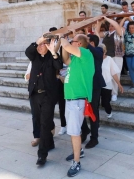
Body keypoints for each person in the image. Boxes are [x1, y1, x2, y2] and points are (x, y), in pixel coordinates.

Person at [59, 34, 95, 177]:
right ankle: (78, 151)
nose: (70, 42)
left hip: (77, 100)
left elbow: (67, 46)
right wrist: (64, 45)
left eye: (73, 40)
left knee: (74, 132)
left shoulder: (86, 54)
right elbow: (65, 58)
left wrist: (62, 39)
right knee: (74, 129)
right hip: (71, 99)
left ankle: (76, 162)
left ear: (79, 44)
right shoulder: (75, 59)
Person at [25, 36, 63, 166]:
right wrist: (38, 40)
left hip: (48, 96)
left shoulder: (52, 56)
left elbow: (59, 65)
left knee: (45, 123)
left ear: (48, 46)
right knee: (37, 119)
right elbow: (28, 51)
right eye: (39, 45)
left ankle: (42, 155)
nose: (40, 47)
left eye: (43, 45)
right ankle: (50, 142)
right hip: (35, 94)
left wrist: (53, 51)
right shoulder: (34, 55)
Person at [81, 34, 105, 148]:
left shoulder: (99, 50)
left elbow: (97, 53)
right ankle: (85, 130)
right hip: (83, 85)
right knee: (80, 109)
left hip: (95, 86)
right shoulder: (83, 53)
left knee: (93, 111)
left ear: (92, 43)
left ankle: (94, 138)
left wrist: (85, 42)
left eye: (87, 43)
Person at [95, 17, 124, 102]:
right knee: (106, 75)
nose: (111, 27)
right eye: (110, 26)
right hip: (107, 57)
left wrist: (107, 19)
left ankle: (114, 93)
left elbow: (117, 27)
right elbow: (96, 33)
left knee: (116, 74)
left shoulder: (119, 32)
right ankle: (107, 93)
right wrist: (99, 22)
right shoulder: (107, 33)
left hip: (116, 56)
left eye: (112, 26)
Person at [100, 43, 123, 118]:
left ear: (105, 51)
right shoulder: (94, 59)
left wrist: (119, 84)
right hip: (97, 84)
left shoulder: (109, 59)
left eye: (102, 51)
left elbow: (114, 73)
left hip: (107, 84)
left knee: (105, 102)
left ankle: (109, 111)